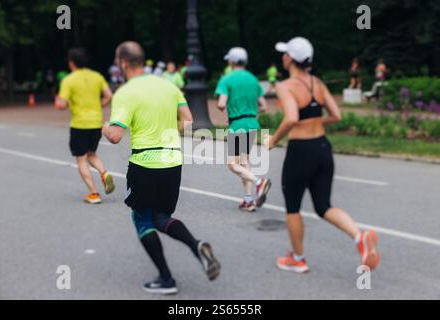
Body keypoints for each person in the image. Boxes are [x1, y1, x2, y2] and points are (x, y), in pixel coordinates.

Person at [102, 41, 221, 295]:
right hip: (172, 161)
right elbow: (188, 120)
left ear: (123, 62)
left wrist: (104, 127)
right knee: (160, 217)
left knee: (142, 218)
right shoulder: (169, 86)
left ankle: (166, 279)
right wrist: (166, 131)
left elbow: (114, 136)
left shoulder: (126, 92)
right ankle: (195, 245)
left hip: (144, 162)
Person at [265, 37, 381, 273]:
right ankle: (359, 236)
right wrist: (315, 119)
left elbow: (292, 118)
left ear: (290, 59)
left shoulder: (285, 86)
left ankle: (298, 259)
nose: (282, 57)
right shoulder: (317, 82)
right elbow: (336, 115)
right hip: (323, 148)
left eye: (285, 54)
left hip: (301, 151)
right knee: (323, 206)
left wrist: (273, 140)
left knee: (293, 208)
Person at [55, 48, 115, 204]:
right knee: (92, 154)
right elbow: (109, 96)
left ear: (71, 63)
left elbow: (61, 104)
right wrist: (99, 105)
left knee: (81, 159)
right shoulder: (97, 76)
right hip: (96, 122)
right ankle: (104, 173)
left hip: (80, 124)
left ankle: (94, 194)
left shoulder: (69, 80)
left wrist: (60, 103)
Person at [215, 47, 272, 212]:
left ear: (231, 61)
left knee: (232, 164)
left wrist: (230, 112)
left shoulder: (227, 79)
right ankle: (248, 200)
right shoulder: (253, 79)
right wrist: (249, 113)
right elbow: (264, 105)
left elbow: (220, 104)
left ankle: (259, 182)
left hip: (237, 125)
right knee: (244, 161)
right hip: (251, 123)